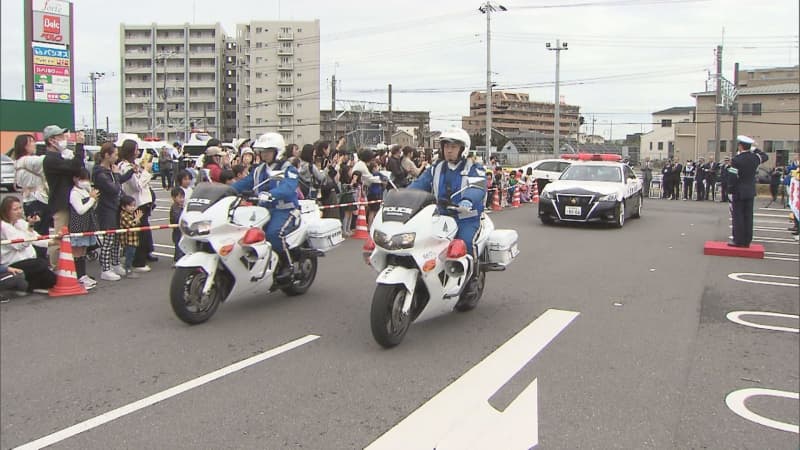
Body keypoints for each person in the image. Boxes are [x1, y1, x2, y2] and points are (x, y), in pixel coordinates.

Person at [409, 128, 486, 306]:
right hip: (439, 216)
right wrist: (403, 194)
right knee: (422, 243)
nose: (449, 150)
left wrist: (468, 199)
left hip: (466, 218)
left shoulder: (474, 168)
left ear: (463, 149)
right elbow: (419, 184)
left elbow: (478, 188)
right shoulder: (436, 168)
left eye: (453, 146)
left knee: (465, 243)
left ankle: (472, 281)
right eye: (446, 146)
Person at [231, 132, 300, 281]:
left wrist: (271, 194)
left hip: (285, 210)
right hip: (261, 210)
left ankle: (288, 266)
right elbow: (244, 183)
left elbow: (289, 186)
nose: (264, 154)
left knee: (274, 234)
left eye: (268, 151)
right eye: (262, 151)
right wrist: (227, 190)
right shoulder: (258, 170)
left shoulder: (288, 169)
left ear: (277, 151)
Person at [42, 126, 85, 267]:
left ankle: (68, 269)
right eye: (60, 137)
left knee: (68, 239)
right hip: (60, 204)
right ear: (51, 140)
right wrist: (79, 145)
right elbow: (76, 166)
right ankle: (56, 269)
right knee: (59, 238)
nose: (64, 139)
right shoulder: (50, 159)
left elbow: (78, 167)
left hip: (68, 202)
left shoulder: (60, 157)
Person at [0, 196, 57, 293]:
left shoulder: (20, 223)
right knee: (41, 263)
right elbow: (20, 244)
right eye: (15, 209)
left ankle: (28, 286)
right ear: (6, 211)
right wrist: (30, 226)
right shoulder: (4, 227)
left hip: (29, 261)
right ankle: (19, 284)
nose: (19, 211)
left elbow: (35, 237)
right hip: (13, 263)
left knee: (52, 279)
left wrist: (53, 241)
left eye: (20, 208)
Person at [118, 139, 155, 272]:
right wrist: (146, 172)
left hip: (141, 202)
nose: (138, 152)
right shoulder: (125, 166)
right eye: (136, 150)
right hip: (135, 203)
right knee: (139, 234)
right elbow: (137, 186)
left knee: (143, 232)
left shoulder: (132, 164)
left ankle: (143, 256)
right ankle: (138, 262)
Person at [92, 142, 127, 281]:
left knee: (116, 238)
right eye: (115, 154)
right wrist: (117, 175)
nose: (117, 157)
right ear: (107, 155)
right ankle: (105, 268)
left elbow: (118, 185)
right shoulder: (100, 173)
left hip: (115, 206)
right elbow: (113, 189)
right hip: (106, 208)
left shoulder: (110, 170)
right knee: (108, 239)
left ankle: (115, 262)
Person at [727, 135, 768, 247]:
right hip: (750, 190)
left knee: (738, 216)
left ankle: (738, 240)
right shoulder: (755, 158)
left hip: (739, 191)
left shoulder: (736, 160)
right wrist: (754, 149)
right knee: (748, 216)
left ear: (740, 146)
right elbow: (765, 156)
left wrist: (730, 191)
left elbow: (732, 177)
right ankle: (747, 240)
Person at [68, 168, 99, 290]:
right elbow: (80, 210)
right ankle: (78, 276)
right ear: (75, 179)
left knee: (84, 250)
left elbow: (92, 206)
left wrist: (93, 199)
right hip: (79, 225)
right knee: (78, 250)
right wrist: (91, 199)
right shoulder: (74, 193)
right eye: (82, 179)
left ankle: (83, 274)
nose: (85, 181)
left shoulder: (86, 191)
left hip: (88, 224)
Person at [119, 195, 144, 278]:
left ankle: (128, 268)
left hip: (134, 239)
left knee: (132, 255)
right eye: (130, 206)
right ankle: (128, 270)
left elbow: (137, 223)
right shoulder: (123, 215)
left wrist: (137, 219)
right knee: (129, 256)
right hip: (128, 240)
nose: (133, 208)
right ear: (123, 207)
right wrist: (137, 218)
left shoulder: (132, 214)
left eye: (134, 205)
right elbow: (131, 225)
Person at [170, 187, 185, 262]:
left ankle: (179, 259)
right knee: (178, 245)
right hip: (177, 230)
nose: (182, 199)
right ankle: (178, 260)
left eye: (183, 197)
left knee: (182, 245)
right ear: (173, 198)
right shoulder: (175, 207)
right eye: (180, 197)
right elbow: (177, 218)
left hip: (181, 230)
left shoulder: (181, 206)